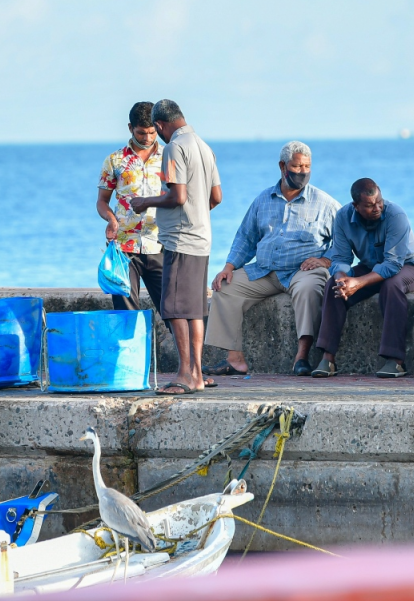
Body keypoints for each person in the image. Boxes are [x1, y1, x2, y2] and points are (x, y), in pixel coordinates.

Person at [204, 141, 340, 378]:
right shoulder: (263, 199)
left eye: (307, 167)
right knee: (224, 287)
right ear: (282, 166)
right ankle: (234, 360)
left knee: (310, 289)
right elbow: (245, 238)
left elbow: (345, 240)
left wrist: (326, 261)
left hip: (303, 271)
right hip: (265, 271)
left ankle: (302, 357)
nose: (303, 172)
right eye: (297, 167)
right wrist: (228, 267)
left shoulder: (325, 203)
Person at [129, 100, 222, 395]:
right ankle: (195, 373)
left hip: (181, 240)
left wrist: (146, 202)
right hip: (201, 238)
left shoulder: (174, 147)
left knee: (174, 309)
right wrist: (198, 215)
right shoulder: (204, 146)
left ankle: (186, 375)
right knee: (193, 310)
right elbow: (216, 197)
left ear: (159, 125)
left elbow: (177, 196)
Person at [312, 178, 414, 378]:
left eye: (379, 202)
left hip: (409, 266)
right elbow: (340, 258)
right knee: (334, 285)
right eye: (369, 205)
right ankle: (327, 359)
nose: (377, 208)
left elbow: (392, 265)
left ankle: (396, 361)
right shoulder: (342, 217)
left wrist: (357, 283)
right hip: (371, 266)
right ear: (355, 206)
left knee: (391, 286)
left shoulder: (395, 215)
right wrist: (343, 280)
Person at [96, 102, 167, 311]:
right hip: (125, 248)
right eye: (141, 133)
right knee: (126, 314)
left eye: (152, 132)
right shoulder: (114, 161)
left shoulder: (169, 157)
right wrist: (110, 219)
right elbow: (102, 201)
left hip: (161, 243)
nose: (147, 139)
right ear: (130, 128)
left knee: (172, 310)